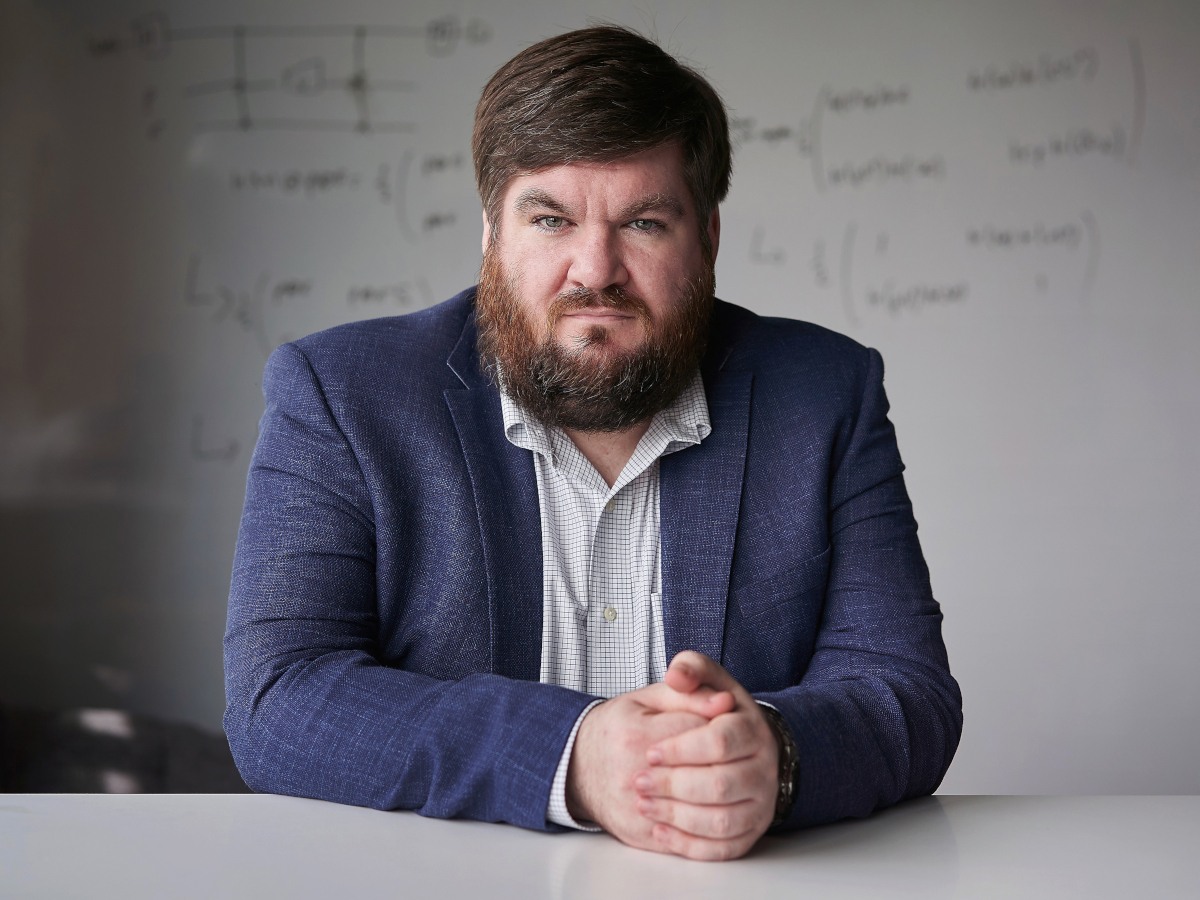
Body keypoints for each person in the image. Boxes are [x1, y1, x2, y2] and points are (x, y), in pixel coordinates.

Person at [224, 25, 961, 862]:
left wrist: (776, 757)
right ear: (491, 235)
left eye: (644, 222)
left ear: (708, 239)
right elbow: (277, 698)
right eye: (550, 219)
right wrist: (574, 756)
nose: (595, 268)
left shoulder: (825, 392)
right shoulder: (341, 393)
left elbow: (907, 690)